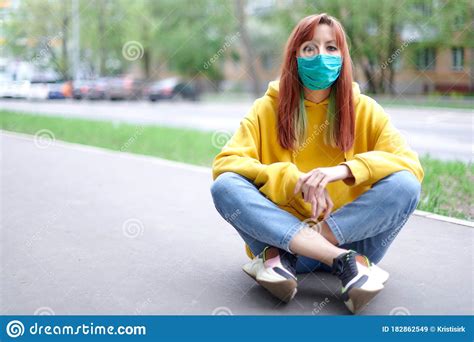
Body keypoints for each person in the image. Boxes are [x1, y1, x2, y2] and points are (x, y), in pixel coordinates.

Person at [210, 13, 423, 314]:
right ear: (295, 55)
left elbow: (409, 163)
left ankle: (290, 258)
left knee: (406, 184)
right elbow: (226, 163)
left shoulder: (364, 109)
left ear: (343, 56)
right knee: (225, 186)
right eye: (309, 48)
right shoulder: (267, 108)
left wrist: (344, 171)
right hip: (284, 238)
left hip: (342, 242)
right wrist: (293, 179)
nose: (320, 56)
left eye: (330, 48)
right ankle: (342, 263)